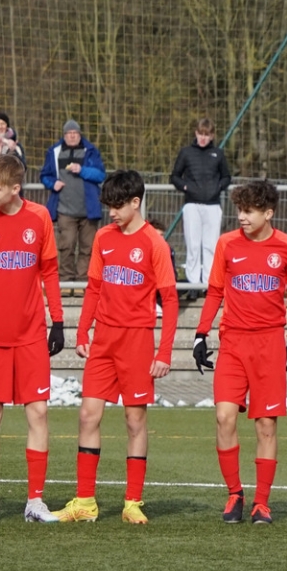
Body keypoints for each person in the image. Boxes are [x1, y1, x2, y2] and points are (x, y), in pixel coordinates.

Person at [58, 169, 178, 524]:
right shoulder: (103, 238)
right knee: (87, 415)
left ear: (136, 202)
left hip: (138, 342)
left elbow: (169, 301)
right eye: (108, 205)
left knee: (134, 419)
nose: (111, 212)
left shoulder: (155, 244)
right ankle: (85, 501)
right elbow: (93, 287)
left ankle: (132, 502)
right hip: (104, 342)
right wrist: (82, 332)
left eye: (118, 206)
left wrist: (164, 353)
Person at [194, 179, 287, 525]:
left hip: (269, 345)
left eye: (250, 211)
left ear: (268, 213)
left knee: (266, 426)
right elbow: (214, 291)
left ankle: (262, 503)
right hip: (233, 343)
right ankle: (235, 494)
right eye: (239, 210)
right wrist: (200, 334)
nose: (242, 217)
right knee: (224, 417)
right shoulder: (227, 244)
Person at [0, 153, 64, 523]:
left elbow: (50, 271)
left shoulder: (38, 218)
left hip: (31, 335)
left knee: (38, 411)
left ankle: (34, 501)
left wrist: (58, 320)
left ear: (15, 188)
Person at [41, 120, 105, 280]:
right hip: (64, 210)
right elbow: (44, 175)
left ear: (79, 135)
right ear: (64, 135)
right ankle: (66, 280)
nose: (72, 136)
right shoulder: (54, 152)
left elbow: (100, 175)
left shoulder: (90, 151)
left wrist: (82, 170)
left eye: (75, 133)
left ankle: (83, 281)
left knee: (88, 248)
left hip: (89, 211)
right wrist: (52, 183)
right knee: (66, 245)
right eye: (69, 134)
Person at [170, 119, 231, 288]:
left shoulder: (218, 154)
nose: (203, 138)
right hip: (192, 205)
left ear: (212, 136)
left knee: (211, 246)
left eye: (207, 135)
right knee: (193, 245)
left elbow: (226, 176)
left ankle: (208, 284)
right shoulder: (186, 153)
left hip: (213, 205)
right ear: (196, 133)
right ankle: (193, 284)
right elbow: (174, 176)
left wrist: (218, 187)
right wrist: (186, 187)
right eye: (200, 134)